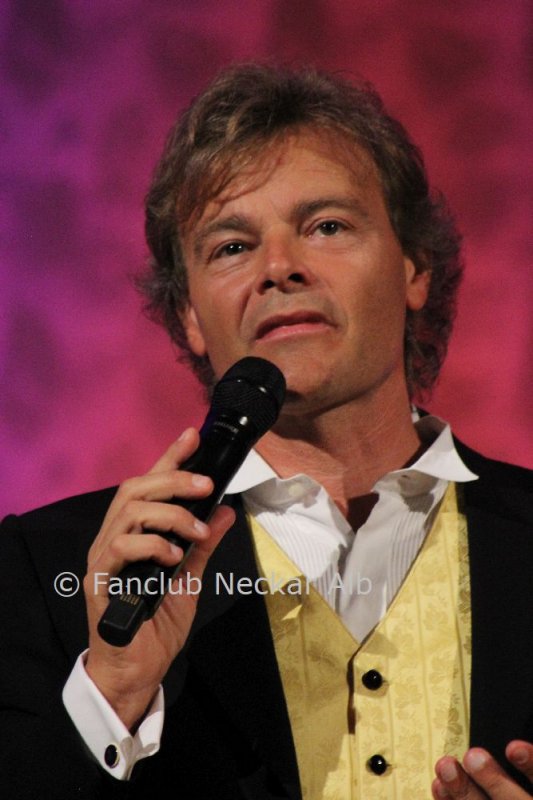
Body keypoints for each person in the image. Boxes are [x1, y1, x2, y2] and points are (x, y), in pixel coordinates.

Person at [0, 64, 531, 800]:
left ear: (415, 268)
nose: (279, 268)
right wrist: (111, 693)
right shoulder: (49, 573)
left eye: (326, 226)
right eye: (231, 247)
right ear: (189, 315)